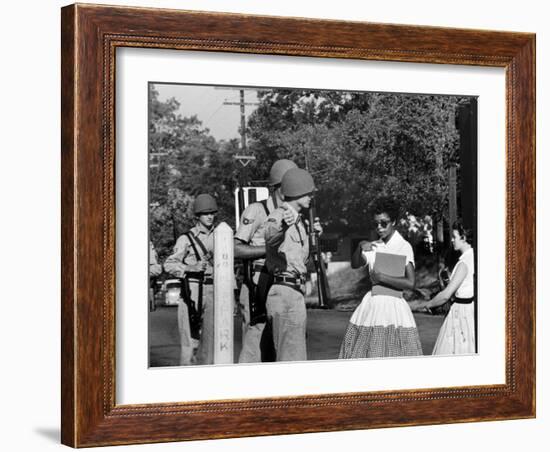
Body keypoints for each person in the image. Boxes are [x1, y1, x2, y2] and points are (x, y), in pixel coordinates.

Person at [339, 198, 423, 359]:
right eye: (376, 223)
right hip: (373, 306)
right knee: (368, 352)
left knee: (395, 353)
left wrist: (382, 277)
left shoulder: (403, 246)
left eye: (384, 223)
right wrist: (359, 246)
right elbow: (355, 264)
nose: (379, 227)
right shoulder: (374, 245)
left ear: (394, 222)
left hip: (394, 308)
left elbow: (411, 283)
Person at [234, 159, 297, 363]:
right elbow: (236, 248)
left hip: (283, 288)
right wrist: (269, 250)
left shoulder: (293, 216)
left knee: (281, 350)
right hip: (257, 288)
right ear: (279, 186)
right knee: (254, 349)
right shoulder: (257, 210)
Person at [264, 168, 321, 362]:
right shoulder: (280, 216)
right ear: (297, 191)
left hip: (294, 292)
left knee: (294, 356)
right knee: (291, 361)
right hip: (285, 291)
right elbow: (270, 237)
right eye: (308, 193)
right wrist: (282, 227)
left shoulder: (300, 221)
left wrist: (314, 237)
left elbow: (302, 259)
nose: (311, 197)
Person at [164, 194, 217, 365]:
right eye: (205, 213)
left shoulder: (222, 235)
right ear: (197, 216)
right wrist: (190, 268)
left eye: (212, 213)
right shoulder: (186, 239)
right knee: (190, 343)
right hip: (192, 290)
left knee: (210, 343)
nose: (210, 216)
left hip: (214, 289)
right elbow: (169, 264)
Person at [413, 221, 475, 355]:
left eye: (455, 236)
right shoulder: (474, 257)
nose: (452, 240)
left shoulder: (463, 263)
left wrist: (428, 304)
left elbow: (446, 295)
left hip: (461, 314)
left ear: (463, 237)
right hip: (470, 310)